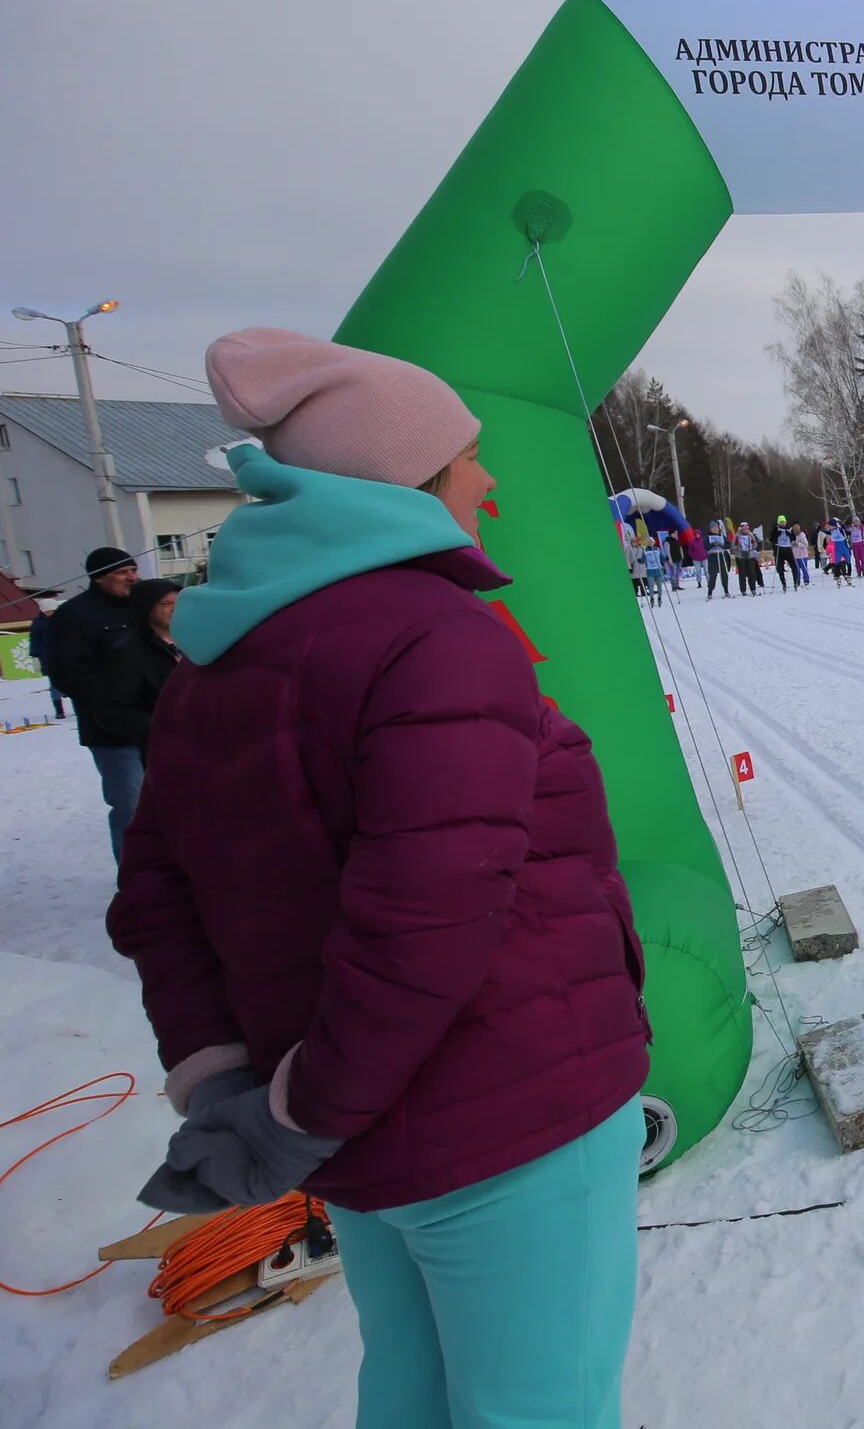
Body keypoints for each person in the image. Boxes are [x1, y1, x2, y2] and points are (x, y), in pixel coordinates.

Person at [109, 327, 646, 1428]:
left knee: (409, 1393)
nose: (487, 479)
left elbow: (157, 896)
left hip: (364, 1143)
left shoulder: (216, 659)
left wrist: (235, 1089)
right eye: (467, 458)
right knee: (540, 1409)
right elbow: (426, 922)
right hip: (505, 1125)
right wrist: (298, 1113)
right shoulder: (436, 635)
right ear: (404, 480)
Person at [45, 546, 146, 861]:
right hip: (112, 731)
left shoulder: (142, 608)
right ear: (100, 578)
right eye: (122, 573)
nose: (132, 578)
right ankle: (135, 878)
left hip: (157, 722)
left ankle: (171, 872)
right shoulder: (74, 615)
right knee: (130, 803)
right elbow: (65, 672)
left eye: (133, 570)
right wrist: (115, 698)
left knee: (169, 800)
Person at [120, 578, 184, 752]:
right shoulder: (127, 653)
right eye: (165, 604)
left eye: (180, 603)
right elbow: (116, 711)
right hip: (163, 746)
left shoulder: (197, 642)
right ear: (146, 607)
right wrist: (164, 727)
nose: (175, 609)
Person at [26, 591, 67, 720]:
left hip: (66, 656)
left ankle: (79, 708)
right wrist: (35, 654)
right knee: (55, 684)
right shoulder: (38, 623)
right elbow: (34, 639)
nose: (50, 613)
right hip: (48, 657)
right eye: (47, 611)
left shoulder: (64, 619)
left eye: (52, 610)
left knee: (74, 682)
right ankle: (59, 710)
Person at [704, 519, 732, 599]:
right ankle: (710, 592)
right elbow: (705, 547)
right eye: (713, 528)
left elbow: (728, 545)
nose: (715, 529)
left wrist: (722, 545)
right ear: (710, 529)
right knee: (712, 576)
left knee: (724, 575)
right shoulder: (707, 537)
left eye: (716, 527)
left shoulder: (722, 536)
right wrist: (713, 544)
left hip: (722, 555)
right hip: (712, 557)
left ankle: (726, 591)